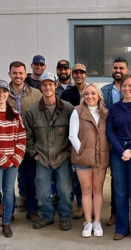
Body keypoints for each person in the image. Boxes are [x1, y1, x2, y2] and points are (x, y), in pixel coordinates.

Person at [101, 57, 131, 227]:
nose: (127, 88)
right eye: (124, 86)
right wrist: (121, 150)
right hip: (117, 151)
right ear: (120, 89)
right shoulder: (113, 108)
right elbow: (109, 130)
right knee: (120, 192)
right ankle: (121, 227)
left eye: (130, 86)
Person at [25, 72, 74, 231]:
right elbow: (28, 138)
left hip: (62, 156)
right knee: (43, 191)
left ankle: (65, 217)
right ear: (40, 87)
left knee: (65, 191)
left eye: (50, 84)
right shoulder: (32, 111)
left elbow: (75, 134)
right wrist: (34, 154)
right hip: (43, 158)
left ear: (55, 86)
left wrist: (69, 152)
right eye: (44, 85)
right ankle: (47, 216)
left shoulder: (68, 108)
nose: (47, 87)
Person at [69, 82, 109, 237]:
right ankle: (88, 222)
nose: (90, 96)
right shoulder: (77, 111)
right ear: (83, 96)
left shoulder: (105, 113)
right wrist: (82, 152)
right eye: (87, 94)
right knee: (86, 190)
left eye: (93, 93)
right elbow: (72, 135)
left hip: (101, 159)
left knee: (98, 190)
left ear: (98, 95)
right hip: (83, 159)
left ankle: (97, 222)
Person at [8, 61, 42, 221]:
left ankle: (32, 210)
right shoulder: (3, 94)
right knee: (7, 182)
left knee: (31, 178)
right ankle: (7, 212)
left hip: (28, 143)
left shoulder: (36, 94)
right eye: (15, 73)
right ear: (10, 74)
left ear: (25, 74)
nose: (18, 76)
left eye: (21, 73)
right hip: (7, 144)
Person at [61, 63, 88, 220]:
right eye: (76, 72)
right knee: (76, 174)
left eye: (81, 72)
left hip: (89, 136)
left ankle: (88, 204)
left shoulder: (91, 91)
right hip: (72, 137)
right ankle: (78, 204)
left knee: (89, 173)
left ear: (86, 74)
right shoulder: (67, 94)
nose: (78, 75)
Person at [0, 80, 26, 237]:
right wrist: (3, 159)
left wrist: (16, 158)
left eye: (3, 91)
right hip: (3, 160)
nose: (1, 95)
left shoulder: (15, 114)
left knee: (9, 191)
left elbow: (22, 138)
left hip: (12, 162)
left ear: (7, 93)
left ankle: (6, 222)